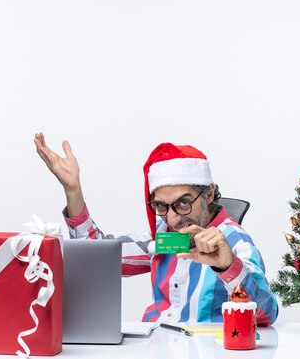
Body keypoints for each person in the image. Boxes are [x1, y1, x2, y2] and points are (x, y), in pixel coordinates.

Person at [34, 132, 279, 326]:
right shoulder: (162, 236)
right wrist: (73, 190)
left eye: (183, 203)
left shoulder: (236, 241)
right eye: (161, 206)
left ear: (210, 193)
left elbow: (267, 315)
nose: (172, 219)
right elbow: (96, 257)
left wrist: (227, 266)